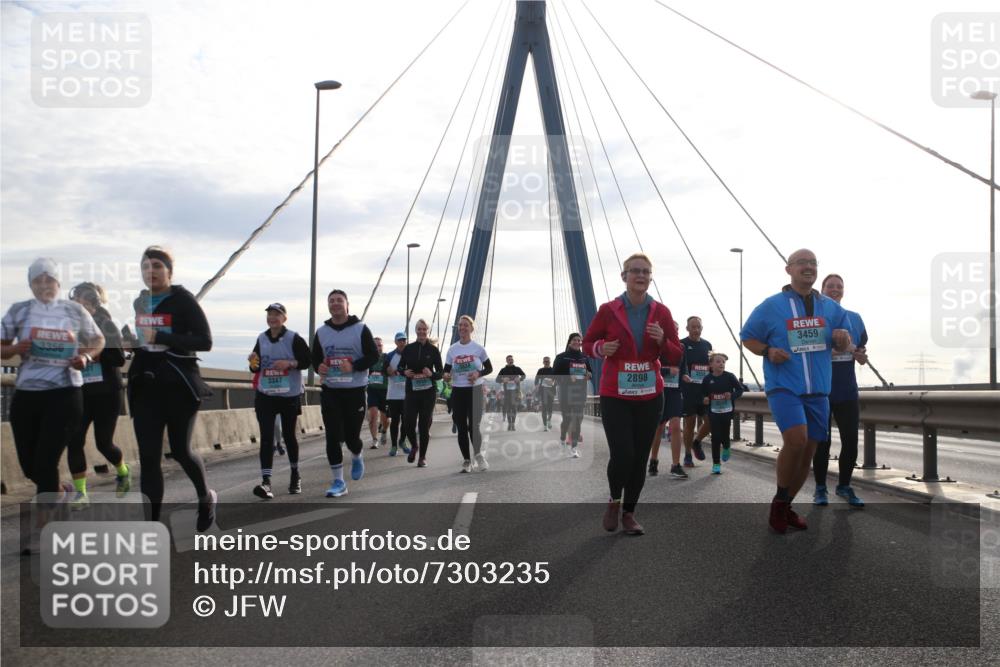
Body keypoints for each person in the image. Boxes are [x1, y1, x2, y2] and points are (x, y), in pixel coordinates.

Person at [740, 248, 853, 534]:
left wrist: (842, 338)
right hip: (784, 386)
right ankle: (779, 501)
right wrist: (768, 351)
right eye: (802, 262)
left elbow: (844, 339)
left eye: (813, 262)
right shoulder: (771, 305)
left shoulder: (831, 308)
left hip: (819, 390)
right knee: (796, 439)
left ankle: (786, 505)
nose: (808, 266)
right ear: (788, 269)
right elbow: (748, 337)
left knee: (809, 451)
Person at [2, 259, 104, 552]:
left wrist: (85, 357)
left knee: (46, 462)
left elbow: (98, 339)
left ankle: (43, 530)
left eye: (49, 280)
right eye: (38, 281)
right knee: (29, 465)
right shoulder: (19, 310)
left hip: (65, 394)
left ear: (58, 284)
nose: (44, 286)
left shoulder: (74, 310)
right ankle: (60, 491)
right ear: (31, 284)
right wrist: (14, 348)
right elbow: (1, 346)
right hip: (27, 395)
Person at [583, 253, 682, 535]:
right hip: (615, 394)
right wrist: (601, 348)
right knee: (623, 454)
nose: (641, 275)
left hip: (650, 395)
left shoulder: (661, 312)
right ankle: (614, 501)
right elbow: (588, 343)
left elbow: (676, 355)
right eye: (635, 271)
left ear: (650, 278)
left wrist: (662, 340)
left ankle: (629, 513)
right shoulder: (608, 310)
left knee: (639, 458)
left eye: (646, 272)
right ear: (624, 276)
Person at [127, 246, 216, 531]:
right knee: (148, 458)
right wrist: (133, 342)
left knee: (180, 451)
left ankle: (205, 497)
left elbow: (204, 341)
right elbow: (146, 341)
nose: (150, 271)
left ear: (169, 271)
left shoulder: (184, 300)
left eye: (156, 266)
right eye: (145, 267)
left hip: (179, 386)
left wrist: (162, 336)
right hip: (146, 386)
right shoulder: (140, 303)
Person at [66, 282, 130, 509]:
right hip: (80, 392)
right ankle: (81, 493)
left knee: (104, 443)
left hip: (106, 393)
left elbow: (119, 359)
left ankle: (123, 470)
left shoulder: (106, 324)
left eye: (82, 300)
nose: (78, 304)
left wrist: (91, 354)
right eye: (75, 300)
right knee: (74, 441)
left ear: (93, 302)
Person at [311, 289, 380, 497]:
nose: (335, 304)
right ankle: (339, 481)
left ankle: (357, 454)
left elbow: (373, 356)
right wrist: (319, 367)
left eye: (339, 300)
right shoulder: (321, 332)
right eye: (331, 301)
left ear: (347, 304)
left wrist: (354, 366)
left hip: (355, 391)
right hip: (331, 390)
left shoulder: (361, 329)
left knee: (351, 437)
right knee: (332, 436)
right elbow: (315, 359)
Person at [814, 274, 868, 508]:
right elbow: (808, 352)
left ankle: (844, 486)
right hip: (821, 390)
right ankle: (820, 488)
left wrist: (860, 355)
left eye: (839, 286)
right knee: (822, 442)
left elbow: (861, 351)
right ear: (822, 290)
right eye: (830, 286)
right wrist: (835, 350)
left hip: (847, 390)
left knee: (850, 441)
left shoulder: (854, 318)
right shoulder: (813, 320)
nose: (835, 290)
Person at [248, 303, 311, 498]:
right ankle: (266, 482)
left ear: (284, 318)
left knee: (289, 436)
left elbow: (307, 361)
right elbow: (255, 367)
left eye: (277, 314)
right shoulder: (261, 338)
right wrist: (253, 362)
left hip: (289, 395)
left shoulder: (294, 338)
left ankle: (295, 475)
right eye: (270, 314)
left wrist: (289, 363)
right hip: (266, 394)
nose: (272, 318)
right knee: (266, 437)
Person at [443, 315, 493, 472]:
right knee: (461, 427)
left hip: (475, 390)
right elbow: (446, 371)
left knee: (474, 426)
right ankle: (466, 460)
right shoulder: (452, 349)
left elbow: (489, 368)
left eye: (465, 325)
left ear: (471, 328)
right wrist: (446, 376)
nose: (462, 328)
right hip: (458, 390)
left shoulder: (478, 349)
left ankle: (478, 455)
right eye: (460, 325)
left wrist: (478, 373)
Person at [398, 319, 443, 467]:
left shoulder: (433, 350)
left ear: (427, 331)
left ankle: (422, 457)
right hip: (412, 391)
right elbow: (400, 367)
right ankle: (414, 446)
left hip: (428, 393)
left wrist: (431, 374)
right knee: (408, 422)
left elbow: (441, 373)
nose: (422, 332)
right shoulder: (408, 348)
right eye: (419, 329)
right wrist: (404, 372)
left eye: (424, 329)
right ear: (416, 330)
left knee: (424, 426)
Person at [648, 322, 687, 478]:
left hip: (675, 392)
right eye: (671, 329)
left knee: (676, 426)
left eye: (676, 330)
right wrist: (666, 371)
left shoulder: (681, 347)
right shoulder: (654, 346)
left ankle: (676, 465)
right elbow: (650, 367)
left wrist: (685, 375)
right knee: (659, 428)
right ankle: (653, 460)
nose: (674, 332)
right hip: (659, 390)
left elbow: (683, 367)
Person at [701, 352, 744, 474]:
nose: (721, 364)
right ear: (711, 364)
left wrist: (732, 395)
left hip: (727, 411)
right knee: (715, 437)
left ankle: (726, 447)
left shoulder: (729, 376)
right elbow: (702, 393)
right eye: (718, 361)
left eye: (723, 362)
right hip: (713, 412)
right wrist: (704, 398)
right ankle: (716, 463)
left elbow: (740, 390)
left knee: (725, 435)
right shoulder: (707, 379)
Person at [552, 333, 593, 458]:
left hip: (580, 393)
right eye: (574, 340)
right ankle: (562, 437)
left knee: (578, 419)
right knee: (567, 419)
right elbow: (554, 376)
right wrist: (568, 377)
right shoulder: (561, 357)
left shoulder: (584, 357)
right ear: (569, 342)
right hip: (566, 393)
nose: (577, 342)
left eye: (579, 340)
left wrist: (589, 375)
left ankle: (574, 447)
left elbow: (590, 372)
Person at [680, 316, 712, 466]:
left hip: (704, 391)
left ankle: (696, 442)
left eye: (698, 327)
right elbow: (678, 365)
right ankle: (687, 455)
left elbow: (711, 367)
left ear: (702, 328)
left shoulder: (707, 345)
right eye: (693, 327)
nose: (696, 330)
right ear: (687, 328)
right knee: (690, 422)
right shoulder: (682, 344)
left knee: (711, 421)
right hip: (688, 390)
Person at [384, 332, 413, 457]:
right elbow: (384, 370)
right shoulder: (390, 356)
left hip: (407, 394)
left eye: (404, 340)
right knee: (395, 421)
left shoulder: (410, 355)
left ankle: (402, 441)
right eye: (400, 340)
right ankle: (394, 446)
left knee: (407, 421)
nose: (402, 343)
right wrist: (387, 371)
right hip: (393, 394)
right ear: (395, 342)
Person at [365, 336, 389, 449]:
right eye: (375, 346)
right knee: (373, 415)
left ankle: (384, 430)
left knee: (386, 419)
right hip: (372, 390)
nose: (377, 348)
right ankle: (374, 440)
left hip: (385, 391)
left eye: (379, 345)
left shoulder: (387, 358)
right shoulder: (368, 359)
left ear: (382, 346)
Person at [496, 355, 526, 431]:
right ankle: (509, 424)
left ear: (513, 360)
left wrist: (519, 379)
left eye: (511, 359)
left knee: (514, 408)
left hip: (516, 391)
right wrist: (503, 380)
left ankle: (513, 424)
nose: (510, 360)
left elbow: (524, 376)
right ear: (506, 361)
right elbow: (497, 379)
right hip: (507, 392)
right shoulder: (503, 370)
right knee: (509, 408)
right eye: (509, 359)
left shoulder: (517, 369)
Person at [534, 356, 557, 431]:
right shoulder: (540, 370)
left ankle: (549, 420)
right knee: (544, 408)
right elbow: (536, 380)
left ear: (550, 362)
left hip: (551, 391)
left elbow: (557, 380)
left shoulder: (553, 370)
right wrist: (536, 385)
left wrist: (553, 382)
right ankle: (545, 425)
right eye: (545, 361)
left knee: (550, 408)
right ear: (543, 362)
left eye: (548, 361)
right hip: (543, 392)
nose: (547, 362)